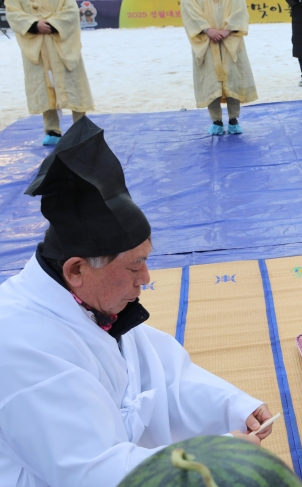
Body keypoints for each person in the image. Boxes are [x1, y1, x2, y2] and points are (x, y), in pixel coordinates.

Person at [0, 117, 274, 486]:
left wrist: (232, 406)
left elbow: (161, 381)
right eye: (134, 266)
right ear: (77, 270)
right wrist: (218, 455)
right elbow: (92, 471)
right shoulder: (22, 343)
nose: (145, 279)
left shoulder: (91, 305)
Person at [5, 0, 94, 146]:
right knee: (44, 88)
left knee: (74, 85)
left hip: (61, 45)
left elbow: (70, 11)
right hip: (36, 47)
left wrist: (53, 25)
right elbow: (13, 13)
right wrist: (34, 25)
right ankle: (52, 130)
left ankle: (81, 127)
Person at [182, 0, 258, 135]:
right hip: (205, 39)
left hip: (231, 39)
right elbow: (189, 10)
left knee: (233, 78)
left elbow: (239, 9)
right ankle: (216, 120)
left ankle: (233, 119)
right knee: (211, 80)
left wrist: (228, 30)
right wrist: (207, 29)